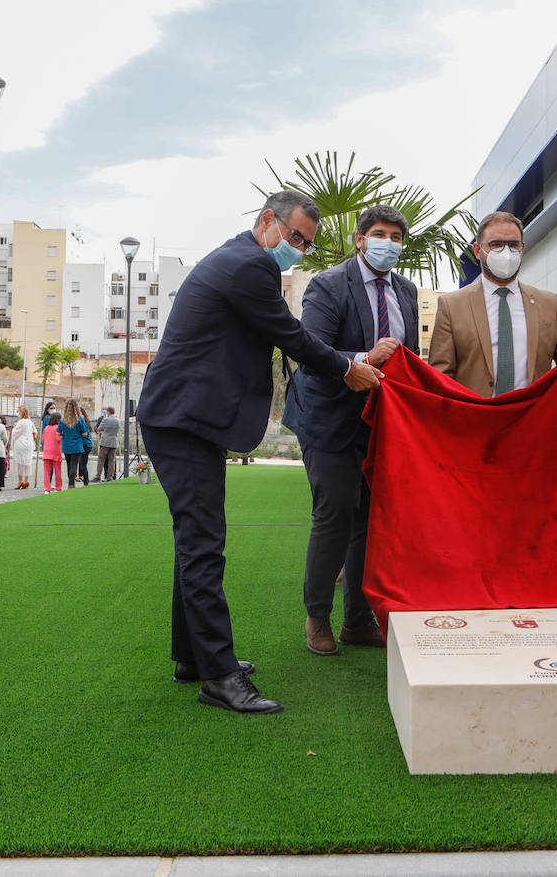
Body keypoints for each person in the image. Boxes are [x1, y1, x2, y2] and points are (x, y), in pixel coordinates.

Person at [138, 189, 383, 715]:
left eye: (306, 244)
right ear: (268, 220)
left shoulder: (240, 258)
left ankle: (193, 657)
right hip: (182, 421)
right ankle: (220, 677)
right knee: (204, 543)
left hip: (185, 418)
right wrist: (347, 367)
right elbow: (291, 336)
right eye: (294, 236)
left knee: (194, 541)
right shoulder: (249, 265)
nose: (297, 247)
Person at [281, 203, 417, 656]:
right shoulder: (328, 285)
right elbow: (312, 351)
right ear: (361, 240)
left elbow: (408, 357)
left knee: (370, 522)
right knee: (335, 515)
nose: (388, 244)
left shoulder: (407, 291)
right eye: (379, 234)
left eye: (397, 237)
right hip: (329, 418)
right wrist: (364, 358)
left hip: (381, 422)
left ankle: (357, 621)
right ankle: (317, 617)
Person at [428, 211, 557, 395]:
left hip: (532, 418)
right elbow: (440, 378)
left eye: (513, 245)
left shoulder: (550, 303)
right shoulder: (452, 306)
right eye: (496, 245)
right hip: (476, 419)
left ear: (522, 248)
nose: (506, 252)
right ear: (478, 250)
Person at [57, 400, 90, 488]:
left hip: (67, 445)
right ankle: (71, 484)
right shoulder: (80, 420)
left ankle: (71, 483)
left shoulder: (63, 420)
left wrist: (65, 434)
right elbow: (84, 433)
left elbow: (58, 433)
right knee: (74, 465)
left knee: (69, 465)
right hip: (77, 445)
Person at [10, 405, 37, 490]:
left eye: (18, 412)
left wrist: (14, 427)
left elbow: (15, 433)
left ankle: (20, 481)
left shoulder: (21, 422)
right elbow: (34, 432)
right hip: (29, 444)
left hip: (21, 444)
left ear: (21, 412)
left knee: (20, 463)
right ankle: (26, 480)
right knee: (28, 463)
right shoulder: (30, 422)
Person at [40, 401, 63, 493]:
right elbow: (59, 439)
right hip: (55, 452)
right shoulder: (58, 428)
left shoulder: (46, 428)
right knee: (57, 471)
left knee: (47, 472)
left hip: (46, 452)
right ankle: (58, 487)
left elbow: (43, 439)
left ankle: (47, 488)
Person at [93, 406, 120, 482]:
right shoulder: (118, 420)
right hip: (114, 442)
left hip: (105, 442)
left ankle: (98, 476)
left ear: (108, 412)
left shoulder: (105, 420)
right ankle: (109, 477)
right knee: (112, 460)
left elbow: (99, 428)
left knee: (101, 459)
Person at [77, 406, 94, 485]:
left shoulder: (82, 421)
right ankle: (82, 477)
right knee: (82, 463)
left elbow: (84, 434)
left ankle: (86, 481)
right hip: (87, 445)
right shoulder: (85, 421)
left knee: (83, 464)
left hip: (85, 445)